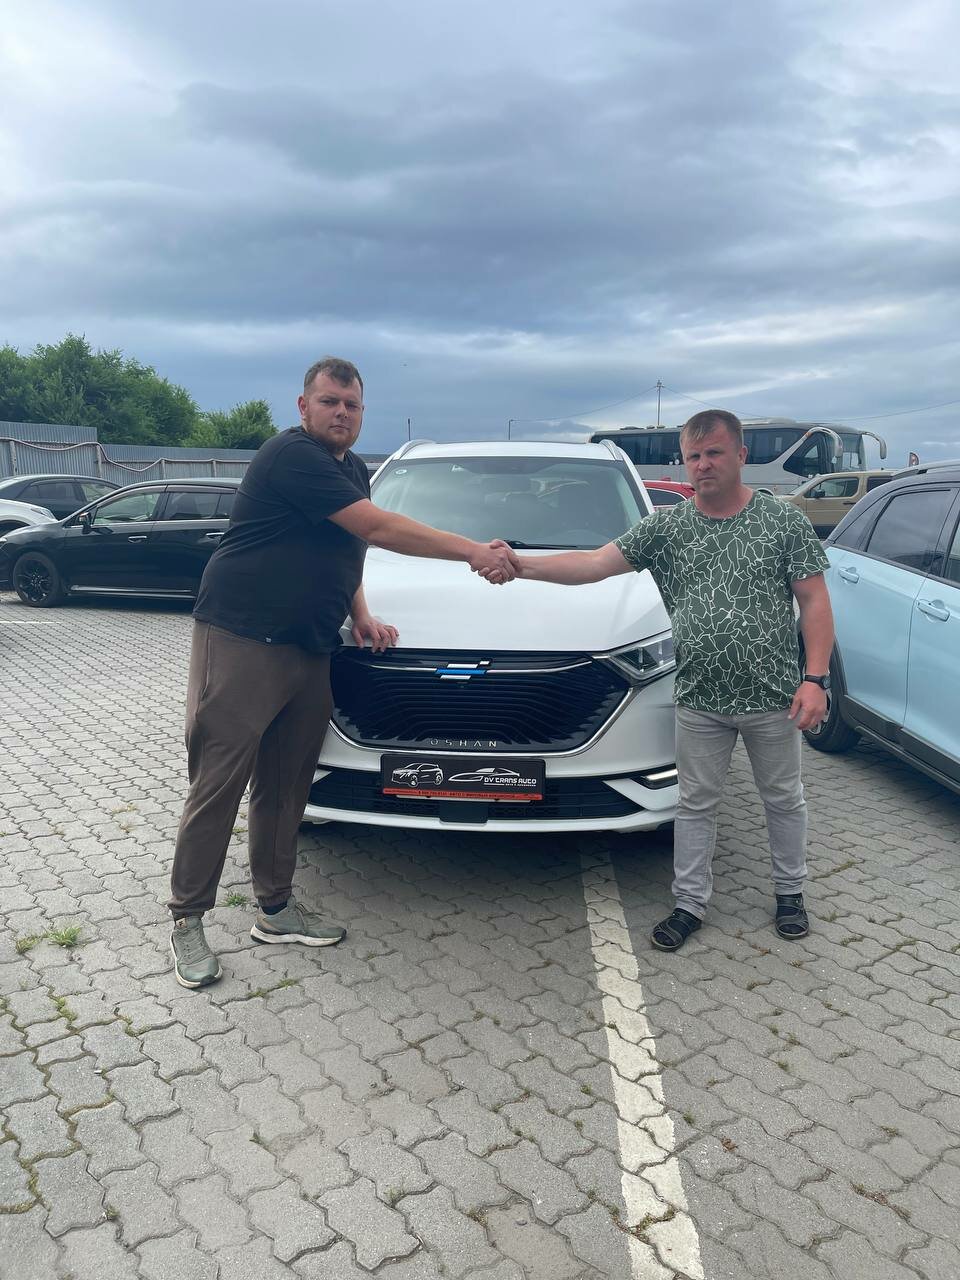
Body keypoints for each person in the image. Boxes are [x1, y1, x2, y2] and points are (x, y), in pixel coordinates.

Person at [169, 356, 518, 988]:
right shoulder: (290, 455)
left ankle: (275, 909)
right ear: (303, 406)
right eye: (329, 401)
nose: (341, 413)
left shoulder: (352, 469)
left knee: (287, 785)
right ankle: (187, 919)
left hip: (310, 647)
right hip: (243, 637)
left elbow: (347, 548)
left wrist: (360, 614)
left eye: (352, 405)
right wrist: (472, 550)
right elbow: (377, 528)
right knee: (219, 782)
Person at [489, 409, 833, 950]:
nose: (703, 465)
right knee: (695, 804)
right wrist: (520, 565)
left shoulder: (781, 522)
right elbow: (594, 565)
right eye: (694, 456)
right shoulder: (667, 528)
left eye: (714, 453)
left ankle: (790, 894)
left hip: (772, 696)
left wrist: (815, 679)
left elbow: (814, 601)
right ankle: (689, 903)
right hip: (698, 697)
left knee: (783, 799)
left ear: (741, 456)